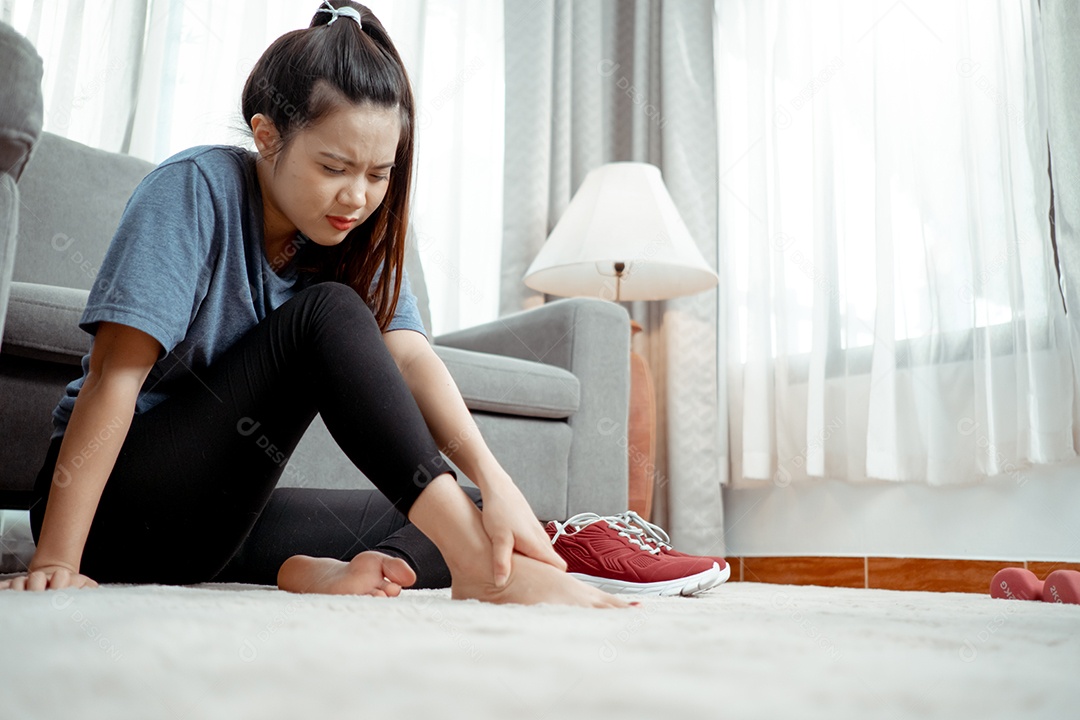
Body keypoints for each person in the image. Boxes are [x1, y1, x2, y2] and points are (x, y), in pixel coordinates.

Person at [0, 1, 628, 609]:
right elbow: (116, 375)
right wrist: (57, 558)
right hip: (116, 507)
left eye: (379, 175)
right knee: (327, 313)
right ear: (267, 137)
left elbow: (409, 358)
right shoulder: (194, 188)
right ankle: (480, 575)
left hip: (204, 534)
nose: (356, 197)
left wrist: (499, 482)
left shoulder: (353, 235)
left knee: (467, 511)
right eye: (334, 166)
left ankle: (310, 572)